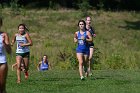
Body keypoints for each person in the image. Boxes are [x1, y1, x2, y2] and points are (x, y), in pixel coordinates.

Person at [0, 17, 11, 93]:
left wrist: (4, 43)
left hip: (2, 62)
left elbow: (9, 51)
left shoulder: (4, 35)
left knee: (1, 86)